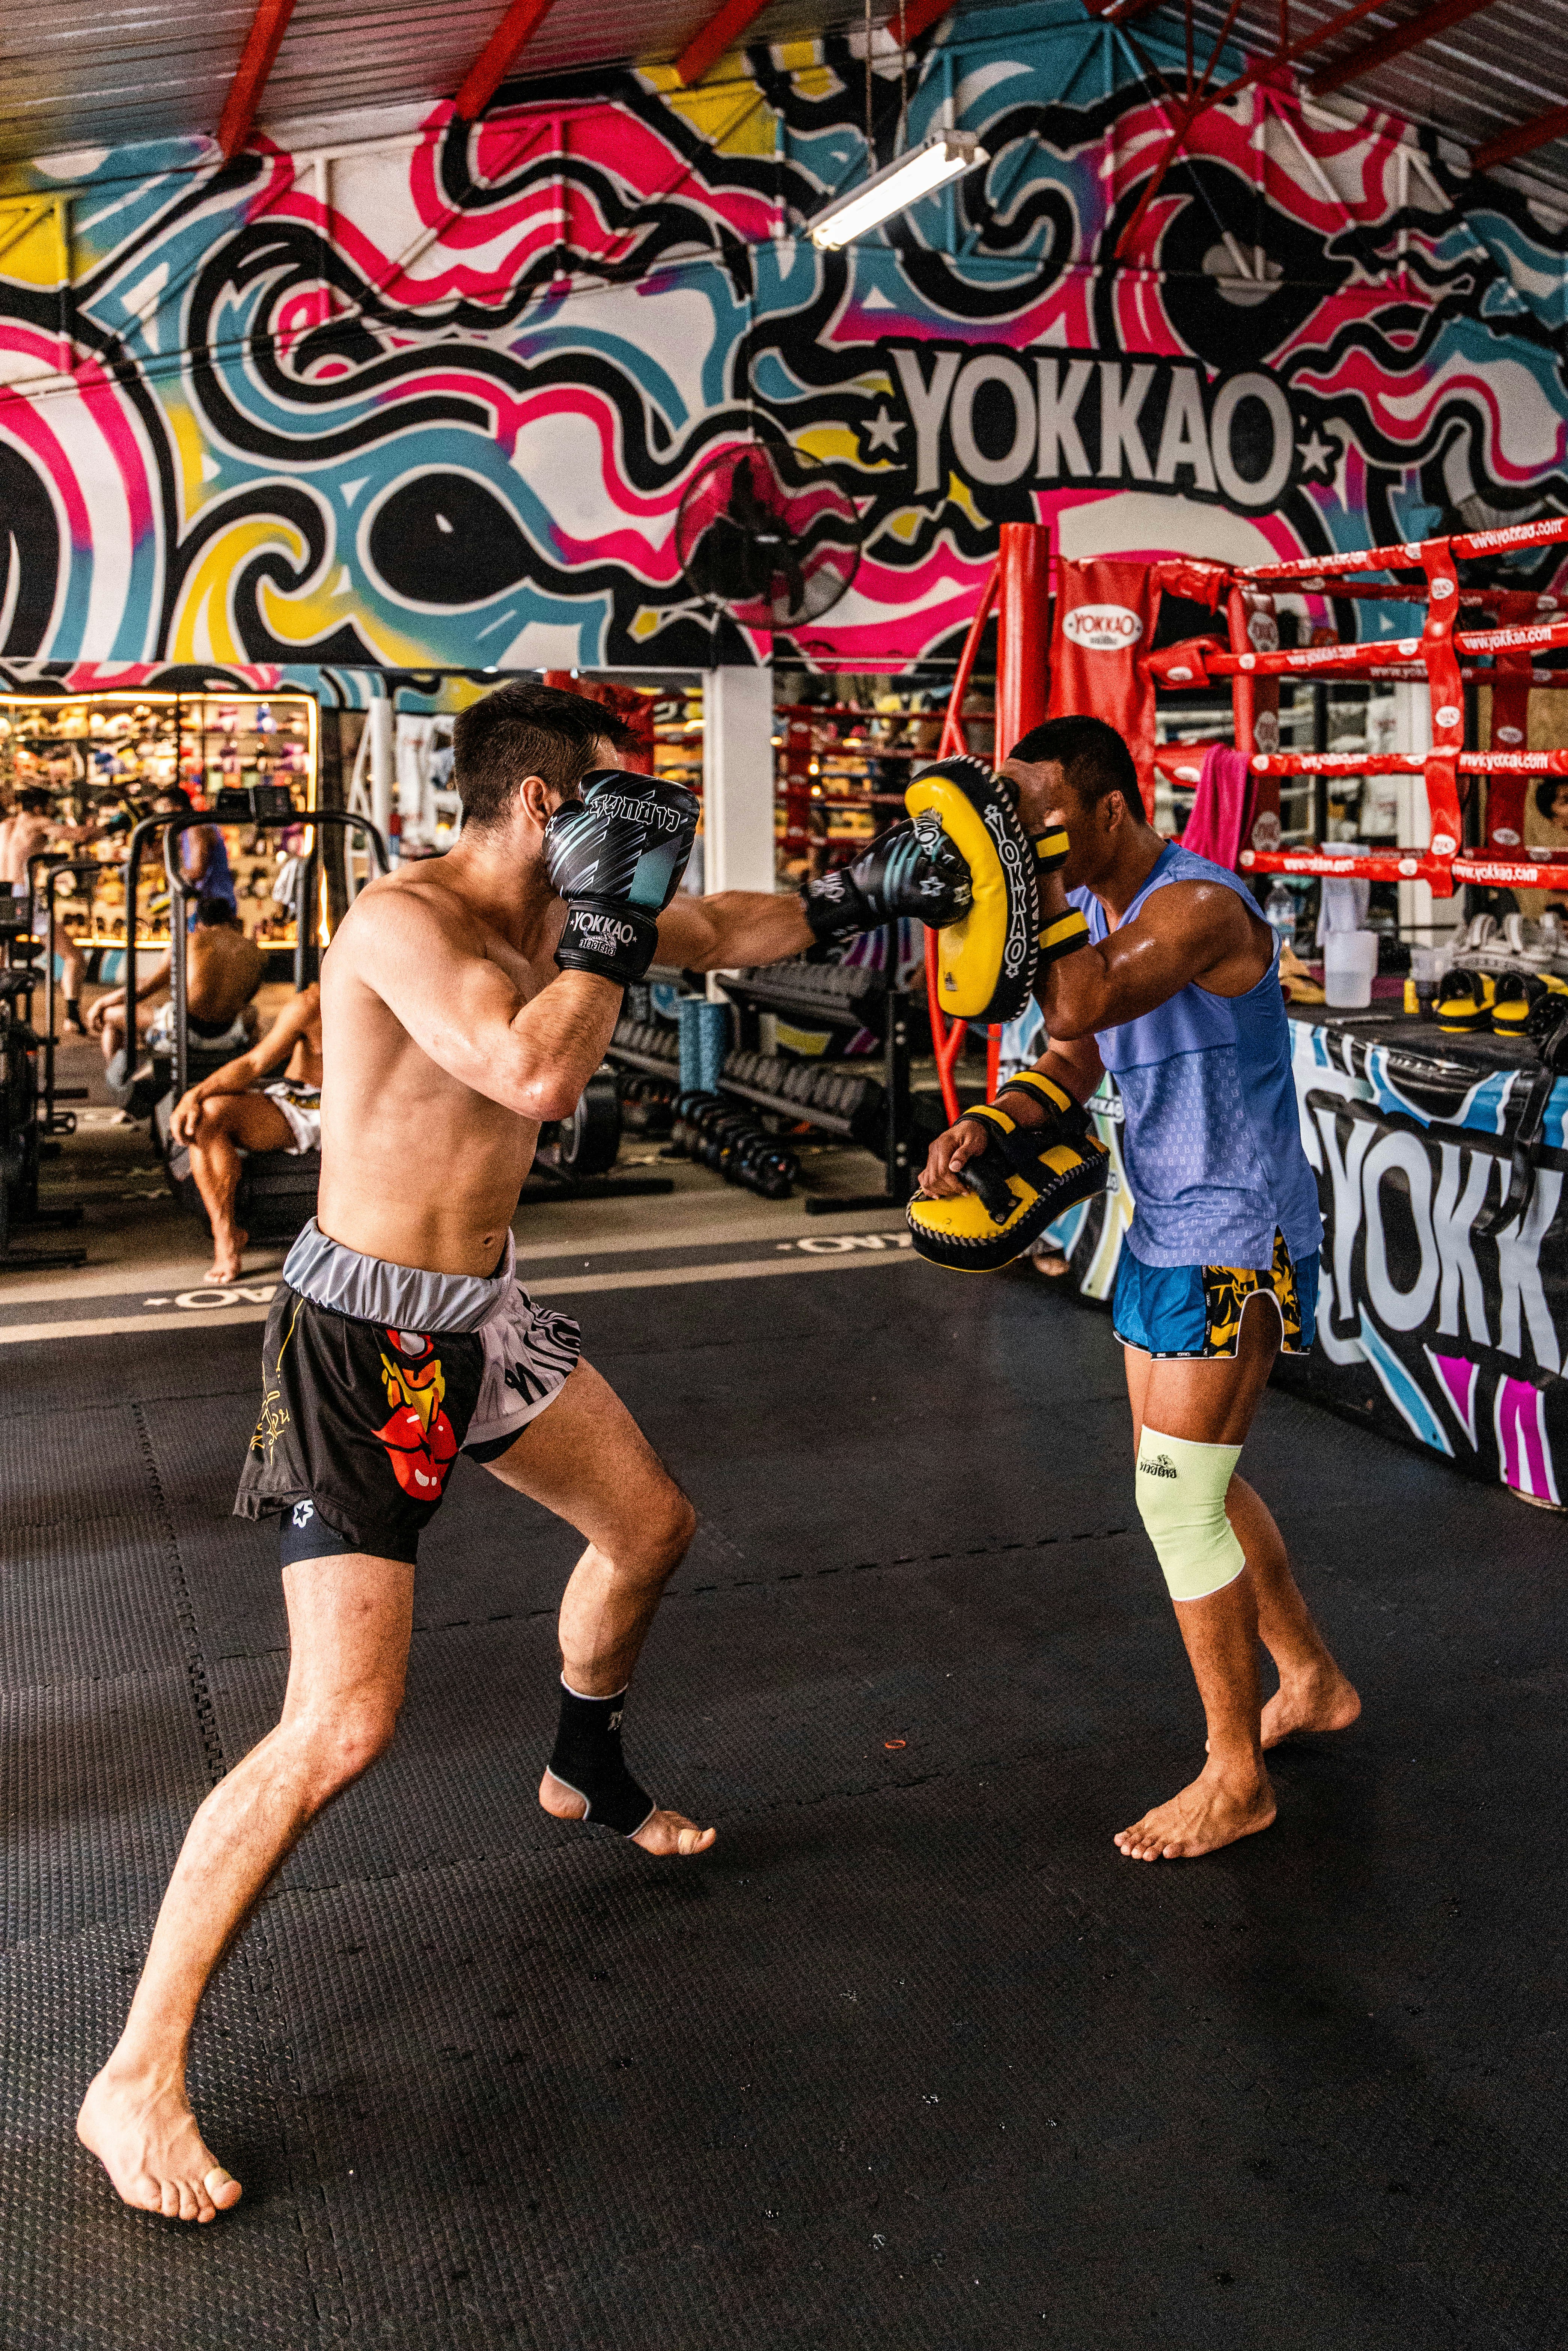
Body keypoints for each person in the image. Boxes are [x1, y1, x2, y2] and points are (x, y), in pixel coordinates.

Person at [78, 677, 969, 2223]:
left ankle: (582, 1761)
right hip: (362, 1342)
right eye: (636, 805)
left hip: (481, 1315)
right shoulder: (404, 924)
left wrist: (861, 884)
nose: (660, 839)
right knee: (339, 1726)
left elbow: (724, 928)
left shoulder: (571, 915)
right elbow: (534, 1072)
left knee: (649, 1527)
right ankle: (133, 2072)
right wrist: (620, 925)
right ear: (556, 806)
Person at [919, 714, 1359, 1866]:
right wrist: (989, 1117)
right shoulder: (1095, 910)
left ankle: (1236, 1774)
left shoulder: (1198, 904)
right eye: (1012, 813)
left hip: (1236, 1236)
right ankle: (1309, 1677)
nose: (1021, 833)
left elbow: (1085, 1002)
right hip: (1162, 1226)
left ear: (1110, 806)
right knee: (1192, 1485)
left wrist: (1037, 880)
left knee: (1178, 1499)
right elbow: (1067, 1056)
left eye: (1041, 810)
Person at [168, 983, 323, 1283]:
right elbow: (255, 1063)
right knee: (208, 1117)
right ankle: (226, 1236)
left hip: (367, 1109)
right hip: (304, 1103)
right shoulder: (311, 1004)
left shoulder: (405, 997)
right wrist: (194, 1095)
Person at [87, 897, 265, 1072]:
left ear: (200, 923)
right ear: (232, 920)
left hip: (182, 1035)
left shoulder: (188, 941)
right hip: (229, 1036)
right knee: (253, 1015)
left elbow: (144, 990)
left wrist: (101, 1003)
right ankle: (246, 1075)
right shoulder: (254, 950)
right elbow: (246, 1000)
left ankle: (122, 1080)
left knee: (110, 1015)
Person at [0, 785, 118, 1033]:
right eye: (51, 806)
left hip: (3, 895)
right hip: (22, 897)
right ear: (40, 807)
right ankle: (72, 1017)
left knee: (1, 961)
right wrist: (116, 826)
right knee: (74, 957)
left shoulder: (6, 826)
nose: (53, 811)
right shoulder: (36, 822)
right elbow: (82, 835)